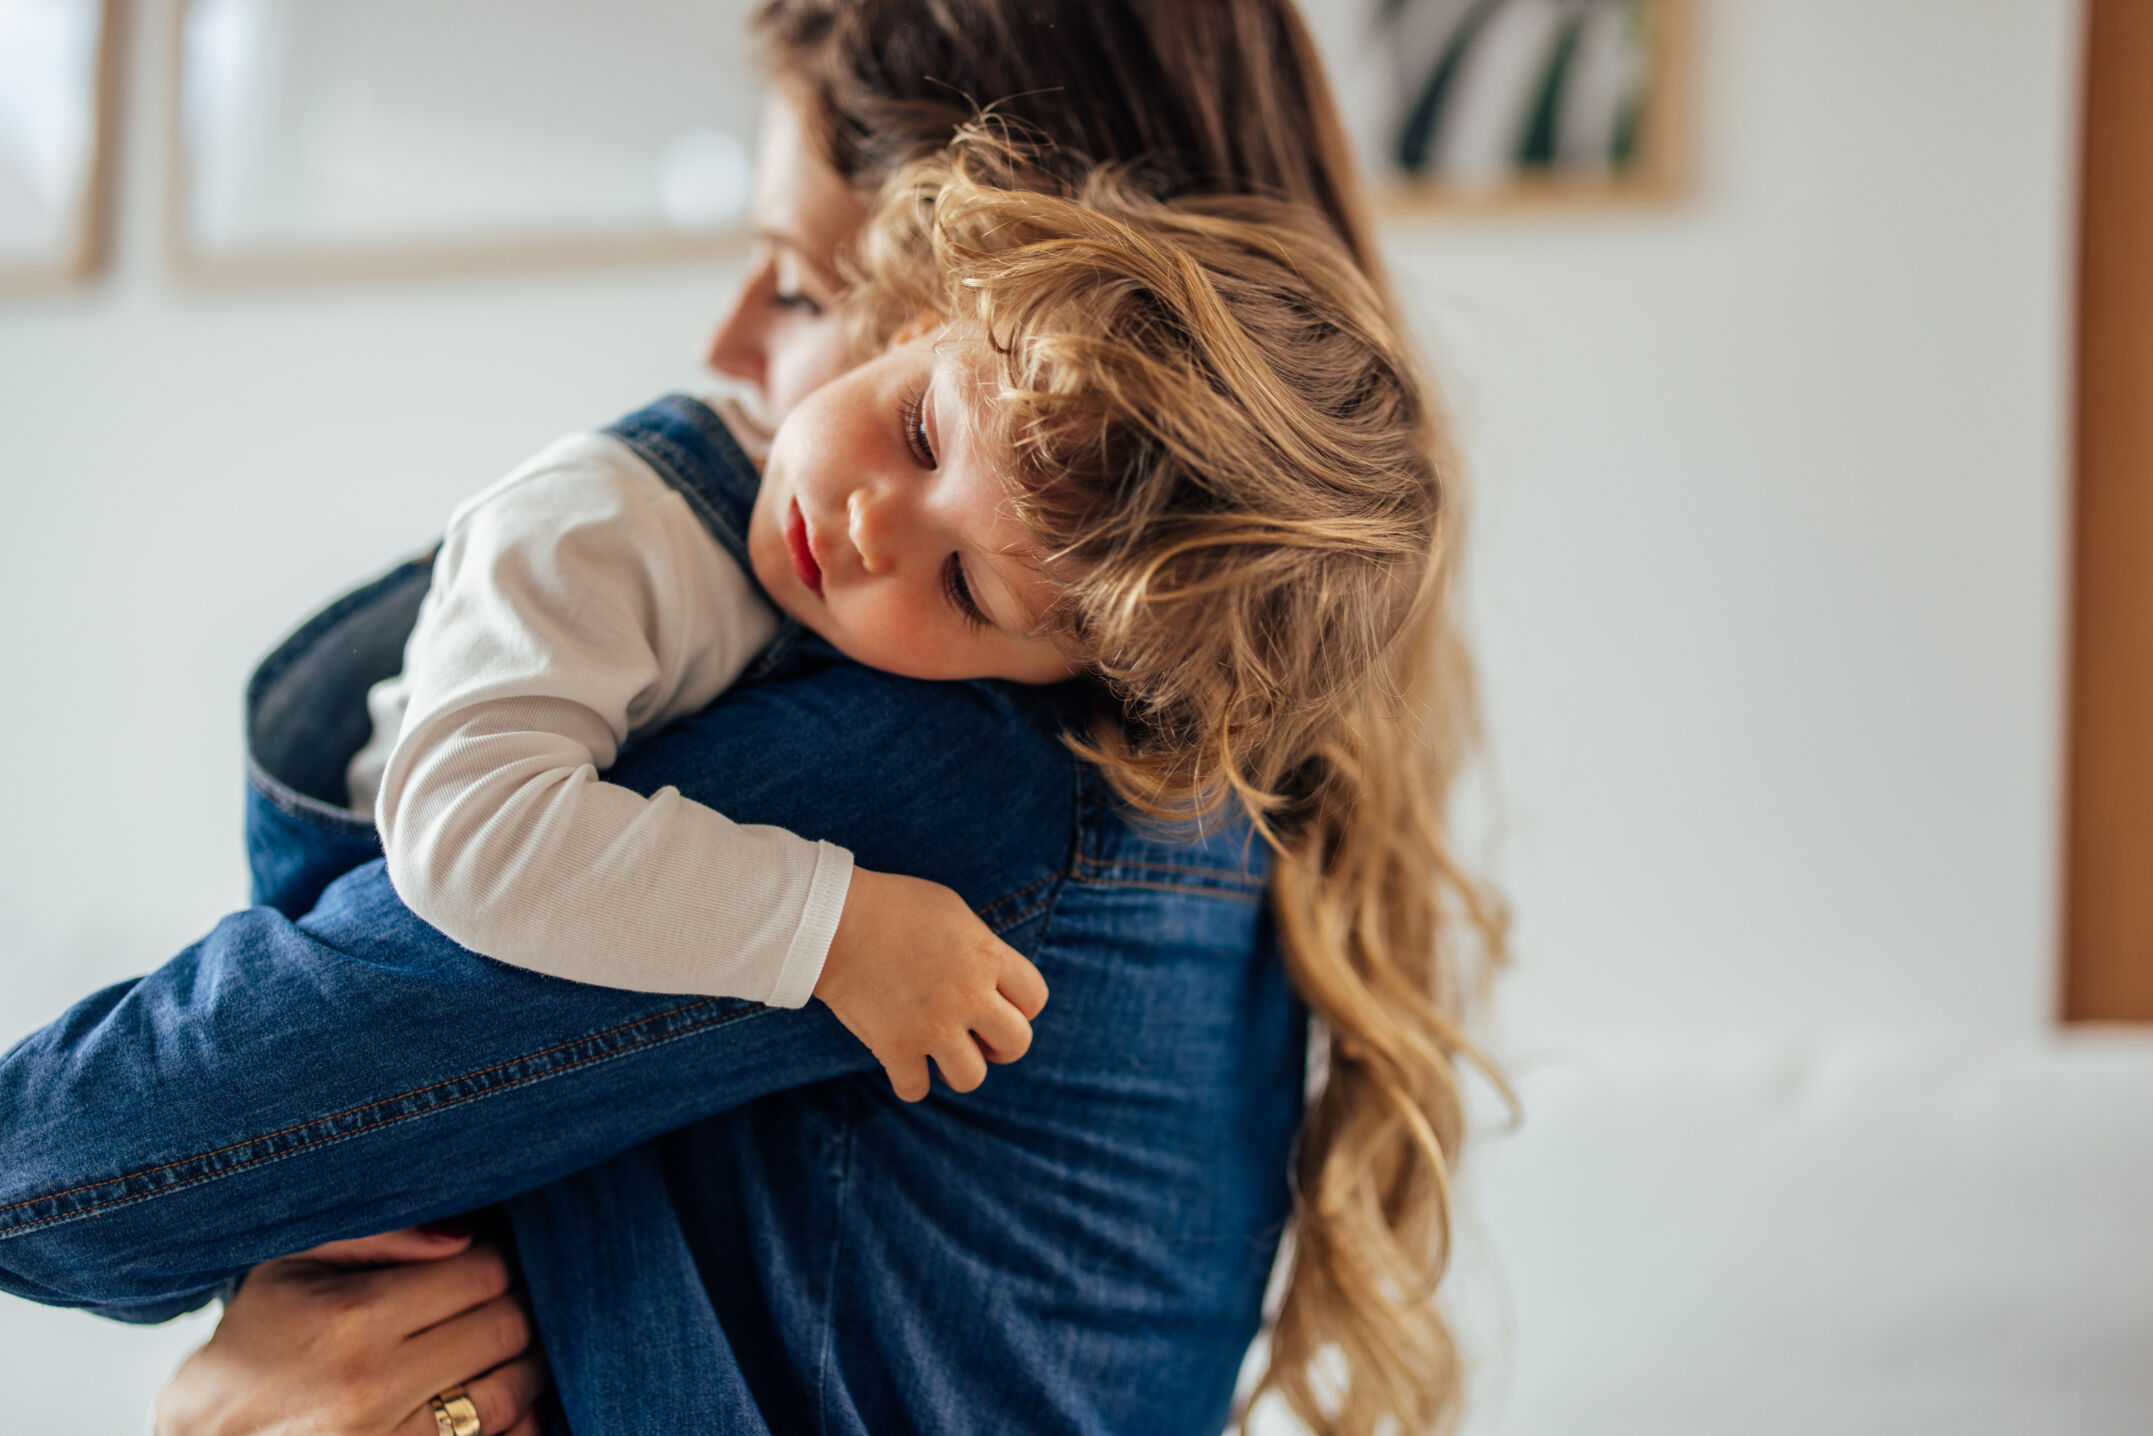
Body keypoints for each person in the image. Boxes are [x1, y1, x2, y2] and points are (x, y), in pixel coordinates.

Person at [0, 5, 1506, 1434]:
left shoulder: (955, 790)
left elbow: (64, 1173)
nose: (725, 346)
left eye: (798, 286)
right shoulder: (1186, 783)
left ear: (982, 260)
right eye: (913, 419)